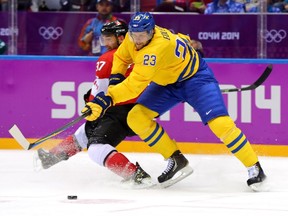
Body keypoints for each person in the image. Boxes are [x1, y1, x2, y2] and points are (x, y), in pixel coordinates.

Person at [82, 12, 267, 191]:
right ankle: (176, 160)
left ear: (152, 31)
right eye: (135, 35)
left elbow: (134, 86)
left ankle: (254, 167)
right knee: (136, 117)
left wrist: (106, 98)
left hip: (196, 79)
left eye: (143, 35)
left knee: (220, 124)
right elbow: (122, 57)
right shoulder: (133, 38)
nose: (138, 40)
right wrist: (115, 80)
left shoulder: (156, 48)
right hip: (168, 82)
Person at [35, 20, 153, 187]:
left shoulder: (109, 57)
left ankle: (136, 175)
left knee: (97, 148)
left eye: (108, 38)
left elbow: (101, 91)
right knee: (84, 133)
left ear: (121, 38)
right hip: (136, 110)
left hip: (118, 111)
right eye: (103, 38)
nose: (104, 42)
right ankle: (52, 157)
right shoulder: (139, 53)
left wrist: (92, 105)